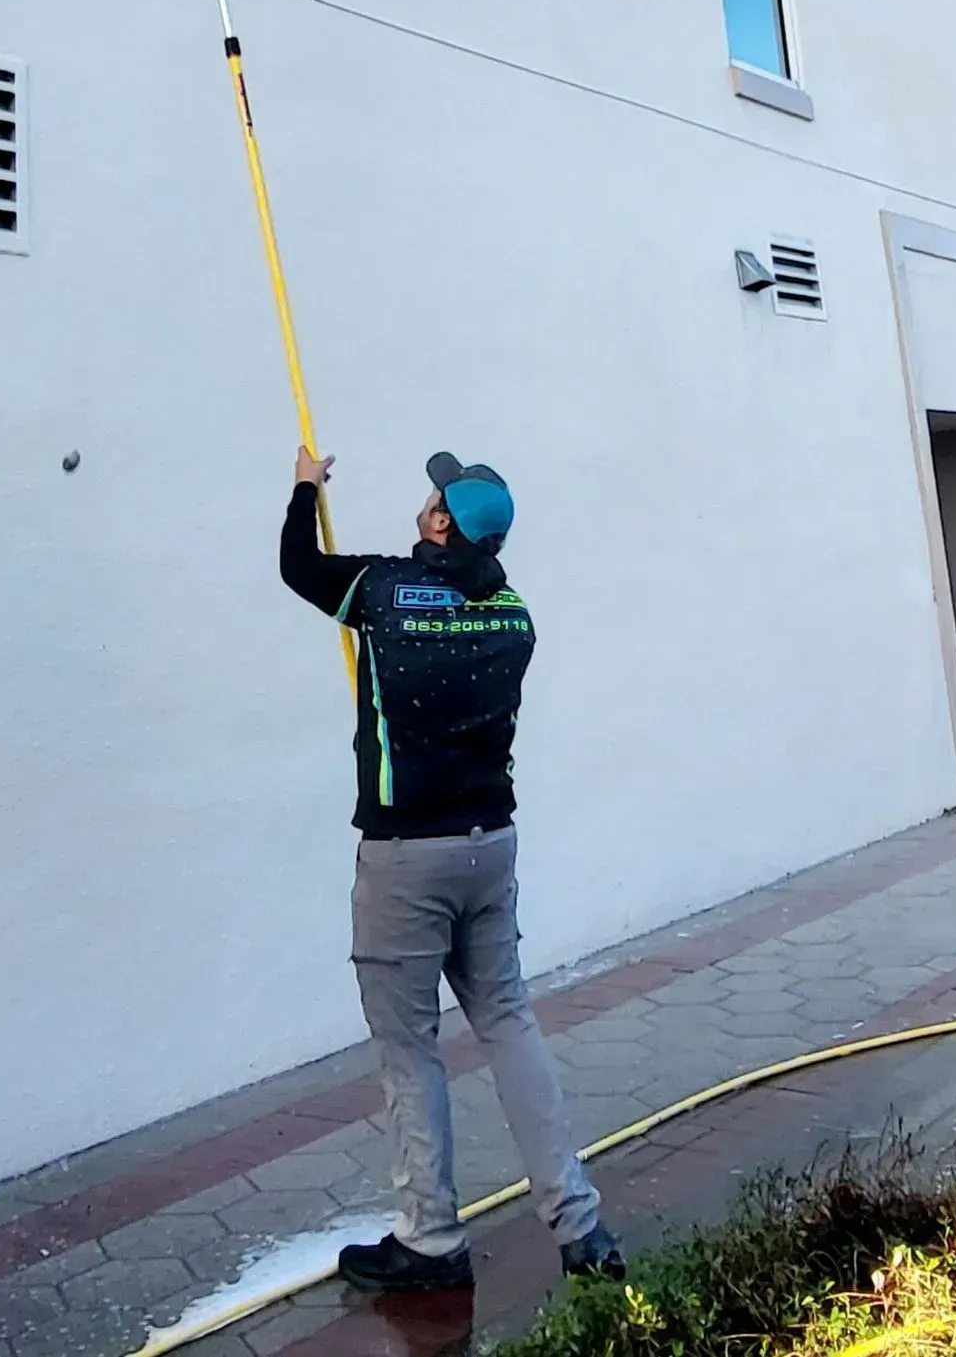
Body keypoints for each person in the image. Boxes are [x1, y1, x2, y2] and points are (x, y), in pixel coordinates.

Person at [280, 442, 626, 1292]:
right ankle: (581, 1226)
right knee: (509, 1022)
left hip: (406, 857)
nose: (425, 500)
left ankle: (431, 1240)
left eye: (434, 496)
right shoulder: (515, 615)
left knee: (409, 1048)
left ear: (441, 522)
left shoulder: (386, 592)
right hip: (489, 846)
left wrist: (303, 488)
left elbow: (298, 566)